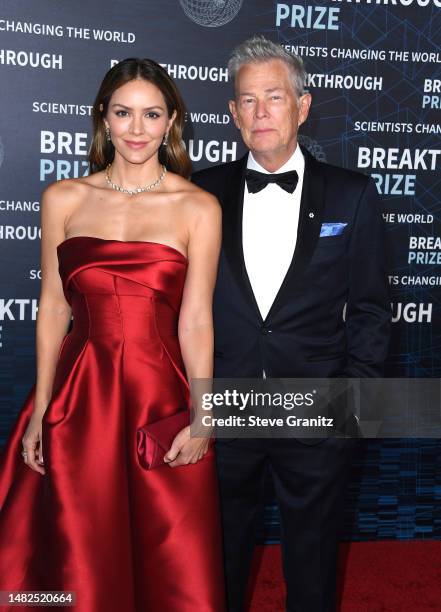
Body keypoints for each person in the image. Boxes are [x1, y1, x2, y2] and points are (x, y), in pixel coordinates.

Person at [0, 58, 226, 612]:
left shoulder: (197, 207)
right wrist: (41, 407)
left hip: (160, 395)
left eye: (151, 115)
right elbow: (53, 308)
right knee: (81, 539)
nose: (136, 129)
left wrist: (204, 414)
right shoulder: (64, 198)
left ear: (171, 122)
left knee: (171, 547)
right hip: (82, 397)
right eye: (123, 113)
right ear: (103, 118)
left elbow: (196, 318)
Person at [192, 36, 391, 612]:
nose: (260, 113)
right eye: (247, 100)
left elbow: (373, 310)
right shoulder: (202, 193)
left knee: (313, 563)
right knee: (218, 560)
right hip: (223, 404)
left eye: (274, 97)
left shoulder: (352, 196)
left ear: (301, 107)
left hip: (316, 406)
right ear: (232, 113)